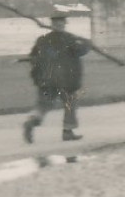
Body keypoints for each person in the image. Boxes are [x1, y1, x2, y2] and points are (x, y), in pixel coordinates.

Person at [22, 13, 93, 143]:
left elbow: (33, 58)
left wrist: (38, 77)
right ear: (64, 24)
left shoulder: (42, 40)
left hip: (46, 80)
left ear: (52, 24)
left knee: (43, 106)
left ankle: (31, 122)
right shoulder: (70, 39)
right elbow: (81, 50)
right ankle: (68, 131)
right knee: (70, 104)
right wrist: (88, 42)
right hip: (66, 80)